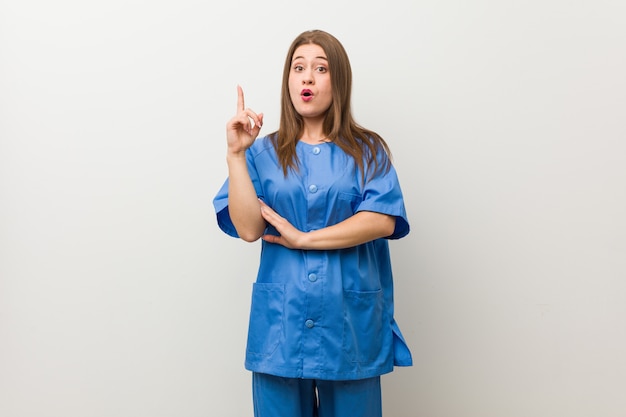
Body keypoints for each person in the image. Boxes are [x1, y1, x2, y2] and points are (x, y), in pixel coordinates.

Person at [213, 29, 412, 417]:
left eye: (320, 68)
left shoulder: (367, 151)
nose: (307, 77)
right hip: (280, 329)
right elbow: (249, 229)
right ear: (288, 80)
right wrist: (236, 156)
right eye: (298, 67)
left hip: (348, 325)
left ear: (339, 80)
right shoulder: (263, 153)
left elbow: (383, 220)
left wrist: (306, 239)